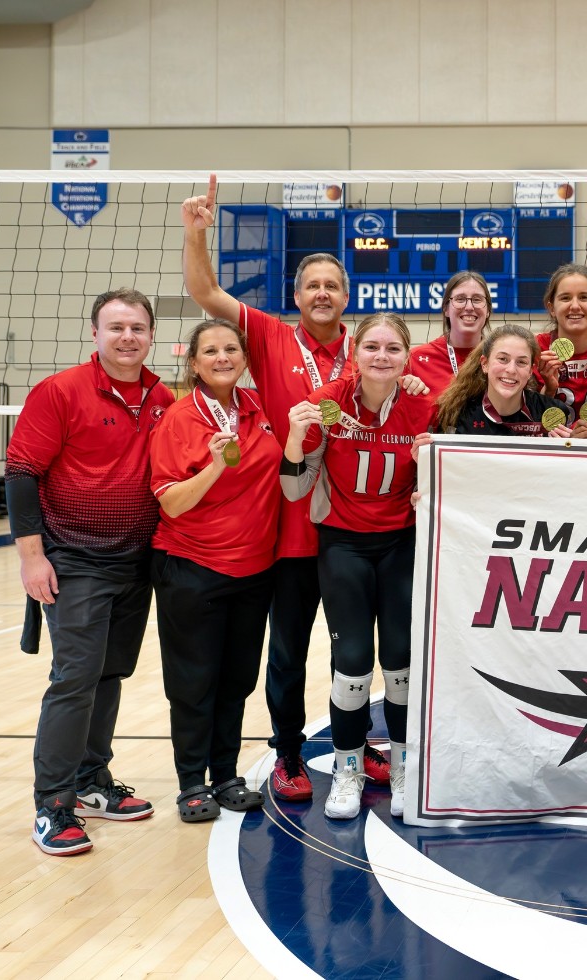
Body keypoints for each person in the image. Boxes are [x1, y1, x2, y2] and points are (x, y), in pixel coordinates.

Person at [181, 175, 393, 800]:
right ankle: (289, 755)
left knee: (358, 651)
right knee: (289, 652)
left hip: (360, 528)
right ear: (295, 296)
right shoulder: (270, 336)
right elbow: (206, 292)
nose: (322, 293)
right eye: (312, 285)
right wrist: (198, 232)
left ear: (347, 296)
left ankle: (357, 744)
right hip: (294, 526)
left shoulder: (373, 349)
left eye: (332, 285)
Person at [8, 288, 173, 855]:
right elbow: (23, 474)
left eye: (137, 328)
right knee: (76, 676)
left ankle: (89, 780)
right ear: (95, 334)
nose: (127, 337)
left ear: (151, 335)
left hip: (136, 559)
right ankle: (52, 805)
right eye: (116, 327)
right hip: (74, 558)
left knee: (110, 673)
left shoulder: (163, 397)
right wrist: (32, 557)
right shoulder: (60, 391)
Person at [281, 313, 436, 820]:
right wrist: (293, 437)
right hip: (343, 545)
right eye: (372, 346)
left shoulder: (424, 404)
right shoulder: (329, 401)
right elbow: (293, 488)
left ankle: (406, 767)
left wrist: (430, 475)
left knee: (400, 666)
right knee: (352, 667)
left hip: (400, 546)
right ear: (355, 352)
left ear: (407, 356)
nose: (382, 357)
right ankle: (348, 769)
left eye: (394, 348)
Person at [149, 319, 281, 822]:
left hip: (254, 569)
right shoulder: (179, 420)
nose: (223, 357)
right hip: (192, 567)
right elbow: (172, 506)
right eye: (211, 351)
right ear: (194, 362)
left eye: (231, 348)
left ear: (243, 357)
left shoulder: (257, 408)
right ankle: (190, 783)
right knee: (193, 681)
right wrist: (214, 467)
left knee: (237, 679)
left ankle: (225, 774)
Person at [435, 324, 571, 437]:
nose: (511, 369)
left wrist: (570, 447)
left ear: (530, 371)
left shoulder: (553, 413)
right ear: (485, 364)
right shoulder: (458, 414)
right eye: (502, 359)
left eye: (521, 362)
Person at [534, 263, 587, 424]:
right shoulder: (534, 349)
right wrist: (549, 390)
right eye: (565, 298)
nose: (575, 306)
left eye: (584, 297)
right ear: (551, 308)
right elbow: (524, 418)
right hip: (549, 445)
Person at [407, 271, 493, 401]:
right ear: (446, 309)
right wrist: (399, 382)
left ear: (488, 311)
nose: (469, 307)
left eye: (477, 299)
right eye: (460, 299)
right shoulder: (415, 359)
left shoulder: (501, 358)